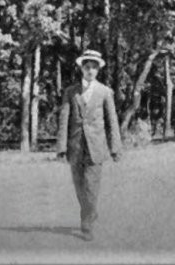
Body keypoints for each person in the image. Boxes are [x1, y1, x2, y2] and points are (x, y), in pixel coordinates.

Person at [56, 50, 123, 241]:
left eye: (94, 67)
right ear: (81, 68)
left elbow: (112, 121)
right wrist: (61, 148)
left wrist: (115, 148)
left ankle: (87, 223)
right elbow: (64, 120)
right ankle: (90, 212)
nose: (90, 71)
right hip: (75, 147)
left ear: (98, 70)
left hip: (96, 148)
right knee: (79, 187)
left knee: (91, 187)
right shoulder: (71, 92)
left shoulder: (105, 92)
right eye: (87, 67)